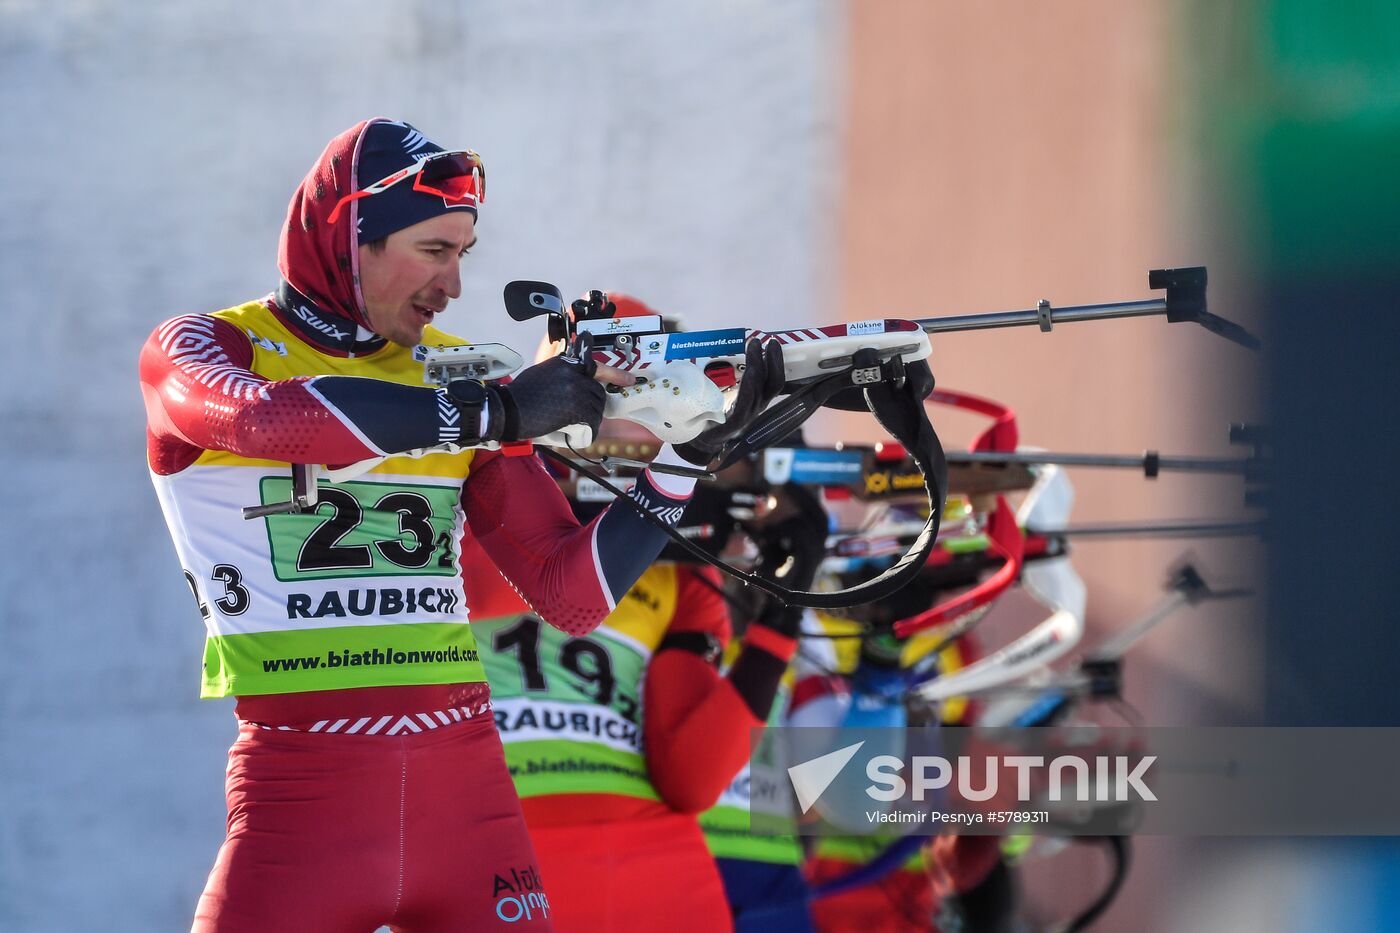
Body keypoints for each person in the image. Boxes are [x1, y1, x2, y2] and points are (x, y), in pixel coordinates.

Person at [139, 119, 782, 932]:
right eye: (434, 249)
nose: (453, 285)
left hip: (469, 798)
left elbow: (569, 595)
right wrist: (499, 409)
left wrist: (685, 460)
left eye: (463, 255)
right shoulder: (205, 346)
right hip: (301, 796)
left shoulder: (459, 370)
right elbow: (276, 423)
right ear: (350, 239)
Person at [467, 295, 823, 931]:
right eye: (614, 397)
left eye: (658, 405)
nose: (630, 437)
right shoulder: (475, 503)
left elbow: (693, 776)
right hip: (543, 876)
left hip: (592, 881)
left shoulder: (680, 569)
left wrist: (782, 611)